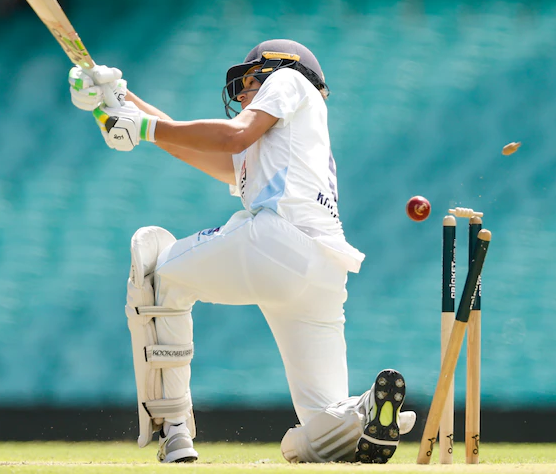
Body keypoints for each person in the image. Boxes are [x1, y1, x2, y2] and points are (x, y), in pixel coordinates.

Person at [67, 39, 415, 464]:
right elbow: (201, 148)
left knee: (157, 273)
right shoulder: (289, 140)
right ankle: (363, 415)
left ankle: (174, 430)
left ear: (279, 69)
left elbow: (231, 136)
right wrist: (115, 102)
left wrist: (140, 126)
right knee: (312, 434)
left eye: (251, 81)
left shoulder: (288, 80)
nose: (245, 93)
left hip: (279, 242)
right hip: (324, 268)